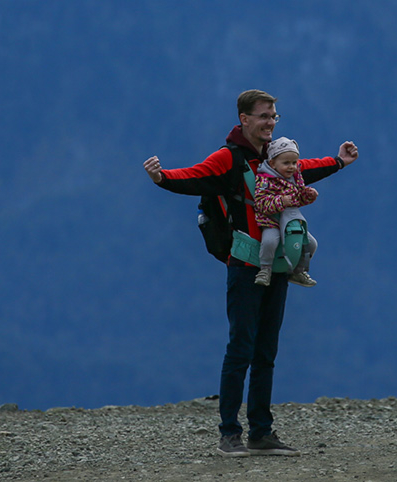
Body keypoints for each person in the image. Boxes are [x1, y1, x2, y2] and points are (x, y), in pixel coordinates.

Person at [143, 89, 358, 458]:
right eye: (264, 116)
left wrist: (337, 162)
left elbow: (301, 169)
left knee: (266, 350)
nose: (271, 123)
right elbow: (194, 177)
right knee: (240, 349)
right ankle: (230, 435)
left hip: (277, 265)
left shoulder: (276, 157)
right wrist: (162, 177)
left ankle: (261, 433)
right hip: (244, 266)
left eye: (274, 116)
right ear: (244, 119)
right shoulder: (228, 159)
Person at [252, 136, 319, 288]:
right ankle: (265, 270)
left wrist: (308, 196)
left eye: (294, 163)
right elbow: (261, 204)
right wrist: (281, 202)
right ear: (272, 163)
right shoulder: (265, 180)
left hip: (291, 220)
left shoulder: (295, 178)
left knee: (311, 244)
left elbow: (298, 199)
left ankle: (298, 271)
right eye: (286, 163)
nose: (291, 167)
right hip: (272, 221)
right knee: (270, 242)